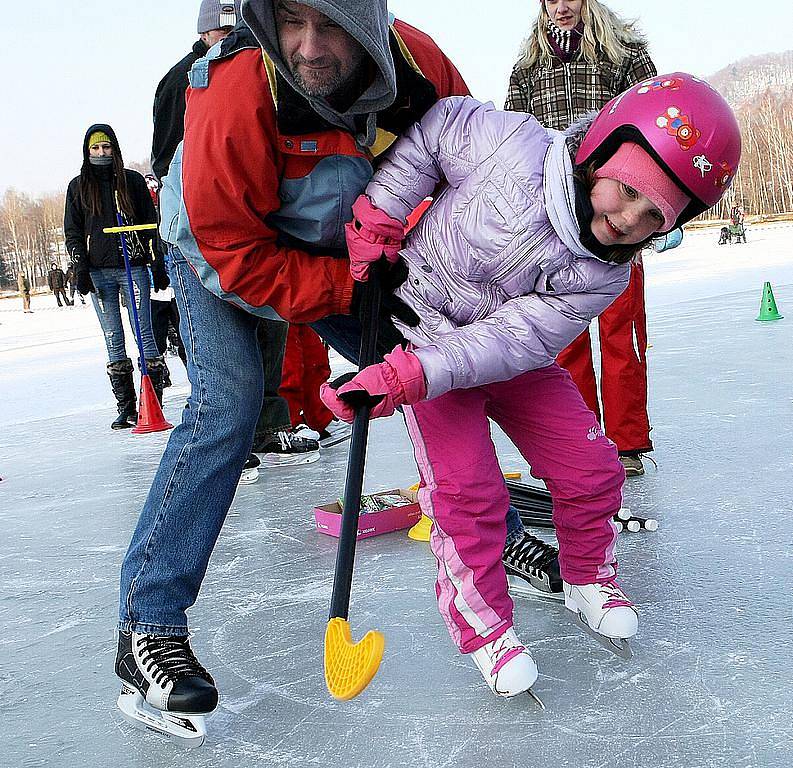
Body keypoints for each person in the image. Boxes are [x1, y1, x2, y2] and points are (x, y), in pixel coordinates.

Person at [114, 0, 474, 744]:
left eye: (331, 23)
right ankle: (147, 622)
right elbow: (233, 256)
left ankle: (488, 528)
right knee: (229, 405)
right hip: (218, 250)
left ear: (368, 20)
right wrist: (349, 288)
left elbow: (472, 172)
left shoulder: (419, 67)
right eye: (290, 21)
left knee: (436, 358)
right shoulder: (239, 90)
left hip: (338, 248)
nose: (307, 47)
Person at [321, 75, 741, 698]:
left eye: (655, 215)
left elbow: (514, 340)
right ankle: (486, 629)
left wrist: (414, 377)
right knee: (468, 493)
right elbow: (435, 133)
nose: (627, 220)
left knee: (592, 469)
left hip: (494, 360)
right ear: (599, 152)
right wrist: (381, 213)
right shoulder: (511, 146)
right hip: (422, 331)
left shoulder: (605, 276)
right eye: (626, 191)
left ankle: (588, 578)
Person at [505, 0, 658, 477]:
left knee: (620, 330)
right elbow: (514, 141)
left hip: (617, 213)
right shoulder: (528, 66)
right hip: (553, 218)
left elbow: (653, 130)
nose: (560, 6)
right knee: (560, 336)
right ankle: (575, 440)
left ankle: (627, 442)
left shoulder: (625, 56)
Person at [64, 125, 170, 430]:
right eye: (95, 149)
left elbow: (151, 225)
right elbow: (73, 231)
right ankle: (125, 407)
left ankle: (153, 402)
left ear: (115, 149)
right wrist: (80, 268)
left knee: (145, 334)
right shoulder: (78, 187)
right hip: (99, 272)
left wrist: (157, 263)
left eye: (106, 148)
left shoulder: (131, 181)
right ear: (87, 151)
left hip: (133, 267)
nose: (101, 153)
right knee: (113, 337)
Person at [281, 324, 352, 447]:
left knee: (314, 359)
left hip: (296, 309)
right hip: (273, 311)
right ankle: (287, 425)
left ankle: (321, 419)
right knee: (288, 365)